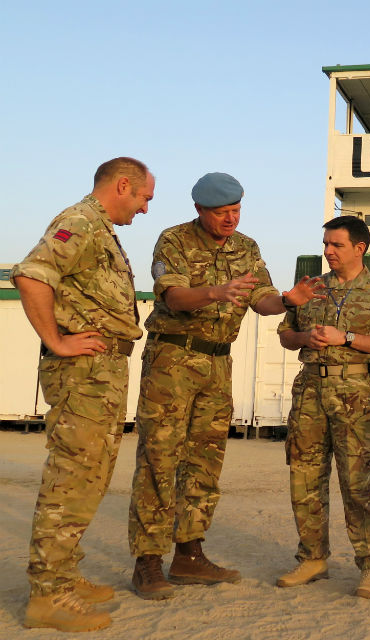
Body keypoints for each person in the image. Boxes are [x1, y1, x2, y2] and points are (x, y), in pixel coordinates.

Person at [128, 172, 322, 600]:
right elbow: (173, 297)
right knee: (160, 458)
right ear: (200, 210)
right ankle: (147, 562)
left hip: (218, 364)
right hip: (173, 360)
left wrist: (289, 300)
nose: (230, 218)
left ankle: (189, 554)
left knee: (205, 459)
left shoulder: (246, 248)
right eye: (222, 213)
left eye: (236, 210)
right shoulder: (174, 240)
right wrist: (216, 291)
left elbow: (264, 300)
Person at [13, 157, 155, 632]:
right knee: (71, 480)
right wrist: (57, 340)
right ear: (122, 185)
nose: (145, 208)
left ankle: (64, 575)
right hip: (82, 374)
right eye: (143, 197)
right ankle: (47, 596)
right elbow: (32, 275)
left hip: (102, 371)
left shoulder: (100, 229)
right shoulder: (79, 223)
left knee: (90, 477)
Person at [275, 215, 370, 599]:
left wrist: (345, 337)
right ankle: (312, 558)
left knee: (359, 483)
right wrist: (306, 337)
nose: (328, 252)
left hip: (355, 395)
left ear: (359, 248)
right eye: (326, 245)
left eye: (336, 245)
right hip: (310, 392)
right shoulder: (311, 289)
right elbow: (285, 335)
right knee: (304, 478)